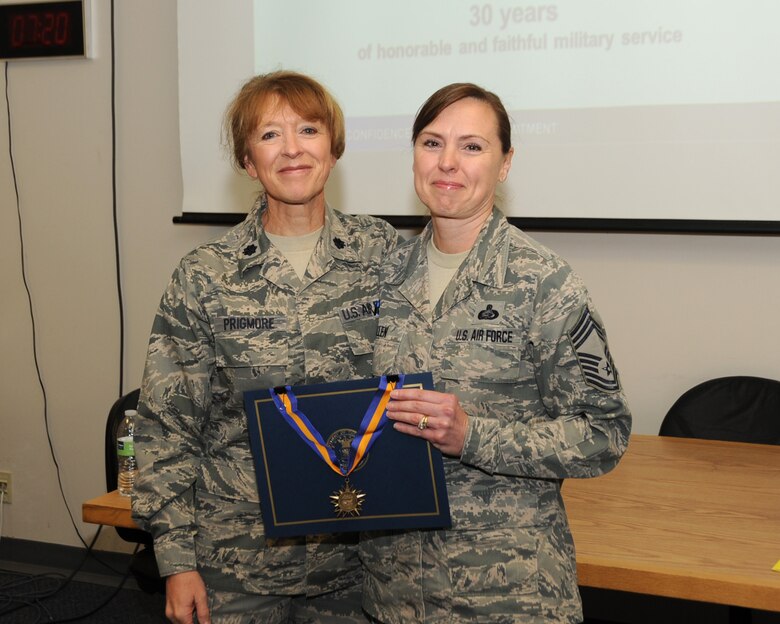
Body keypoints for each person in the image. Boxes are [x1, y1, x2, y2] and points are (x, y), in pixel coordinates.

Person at [131, 71, 399, 624]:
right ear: (248, 161)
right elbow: (166, 427)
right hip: (236, 565)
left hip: (360, 563)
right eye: (270, 135)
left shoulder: (388, 257)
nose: (293, 149)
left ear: (334, 147)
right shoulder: (204, 276)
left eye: (308, 129)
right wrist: (176, 561)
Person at [360, 83, 632, 623]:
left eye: (472, 147)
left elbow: (604, 433)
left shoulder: (544, 283)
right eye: (432, 143)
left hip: (508, 595)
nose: (448, 163)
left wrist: (473, 437)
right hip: (393, 595)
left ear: (505, 163)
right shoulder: (380, 277)